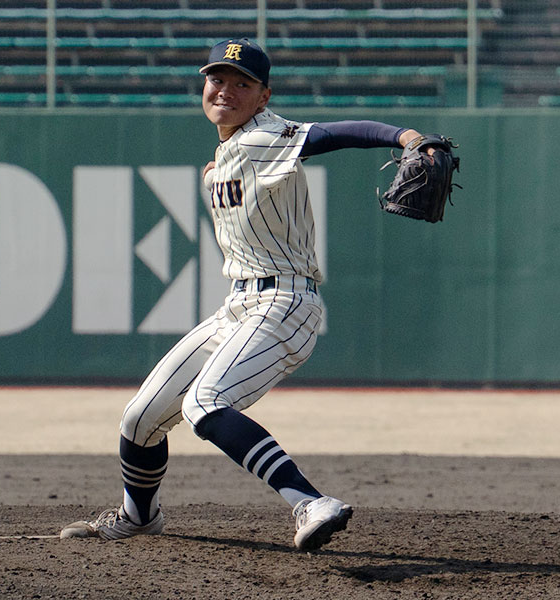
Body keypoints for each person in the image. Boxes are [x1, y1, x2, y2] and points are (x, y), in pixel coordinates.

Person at [60, 37, 438, 550]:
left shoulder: (264, 136)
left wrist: (406, 137)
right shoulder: (231, 150)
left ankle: (311, 502)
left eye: (243, 83)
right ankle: (139, 515)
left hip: (284, 304)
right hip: (238, 306)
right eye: (217, 79)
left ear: (263, 96)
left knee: (205, 402)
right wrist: (218, 173)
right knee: (141, 419)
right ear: (203, 85)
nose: (226, 89)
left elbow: (336, 134)